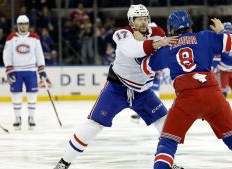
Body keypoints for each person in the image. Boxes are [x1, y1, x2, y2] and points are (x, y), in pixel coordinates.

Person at [54, 4, 180, 169]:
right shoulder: (122, 34)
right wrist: (157, 43)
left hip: (143, 92)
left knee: (166, 126)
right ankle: (64, 162)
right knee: (94, 125)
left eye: (145, 18)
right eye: (138, 19)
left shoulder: (158, 34)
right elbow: (134, 50)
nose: (143, 22)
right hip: (116, 89)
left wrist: (158, 42)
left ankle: (168, 162)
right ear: (131, 21)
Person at [141, 10, 232, 169]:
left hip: (186, 100)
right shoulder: (205, 36)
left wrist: (155, 44)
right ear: (190, 25)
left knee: (168, 142)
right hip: (213, 96)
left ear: (171, 28)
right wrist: (222, 31)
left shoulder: (168, 47)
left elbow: (146, 67)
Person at [3, 15, 51, 130]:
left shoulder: (34, 37)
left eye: (25, 24)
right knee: (16, 95)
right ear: (17, 25)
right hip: (16, 71)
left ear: (28, 25)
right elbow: (6, 54)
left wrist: (42, 69)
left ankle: (31, 118)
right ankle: (17, 118)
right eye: (21, 24)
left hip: (30, 71)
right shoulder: (11, 38)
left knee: (32, 95)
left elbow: (39, 54)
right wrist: (9, 69)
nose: (23, 26)